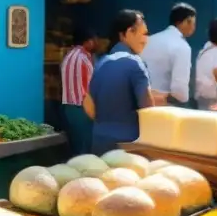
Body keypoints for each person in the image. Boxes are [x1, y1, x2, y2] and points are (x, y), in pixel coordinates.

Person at [84, 10, 163, 152]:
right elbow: (147, 108)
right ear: (127, 33)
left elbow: (88, 106)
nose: (146, 39)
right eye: (144, 34)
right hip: (128, 145)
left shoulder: (100, 63)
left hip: (99, 141)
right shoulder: (135, 63)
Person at [141, 3, 196, 105]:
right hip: (164, 110)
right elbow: (180, 93)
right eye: (193, 23)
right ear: (187, 21)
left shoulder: (149, 40)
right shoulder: (182, 46)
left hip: (142, 103)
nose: (194, 28)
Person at [60, 26, 97, 155]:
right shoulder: (84, 58)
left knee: (75, 145)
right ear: (88, 41)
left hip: (68, 108)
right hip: (82, 108)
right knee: (85, 148)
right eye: (93, 40)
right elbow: (91, 86)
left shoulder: (67, 56)